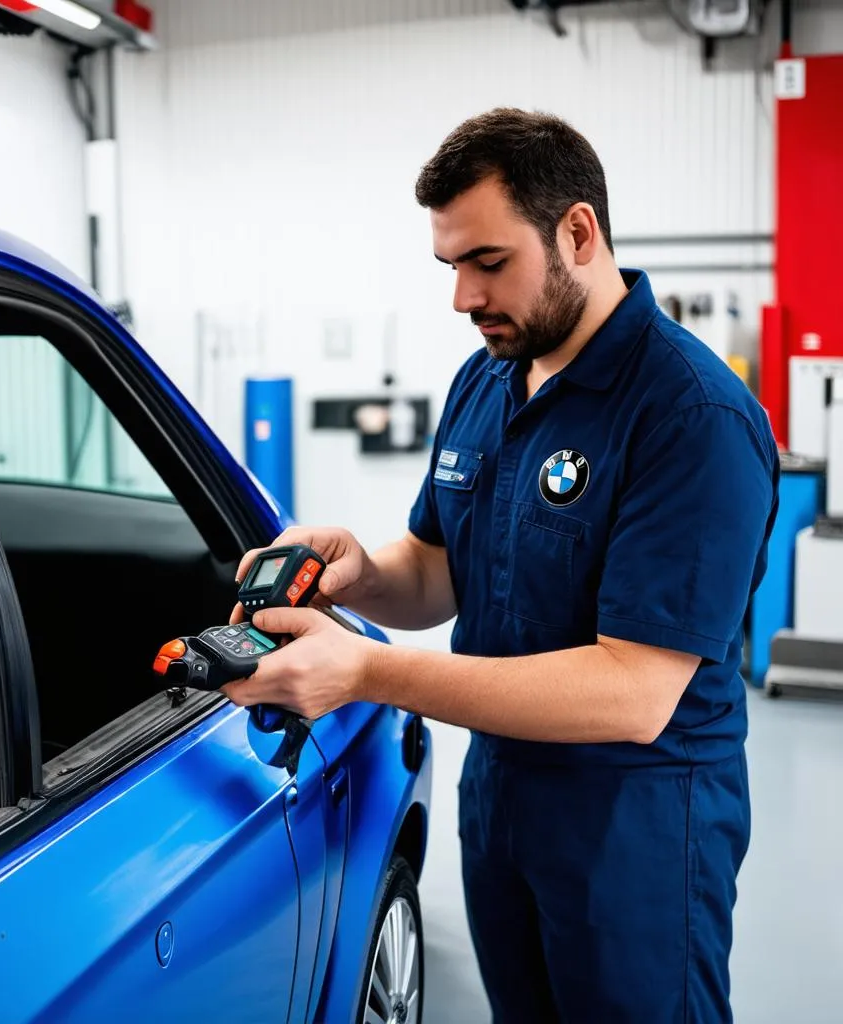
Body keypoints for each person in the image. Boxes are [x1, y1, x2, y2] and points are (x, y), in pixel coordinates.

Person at [225, 108, 780, 1022]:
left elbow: (632, 692)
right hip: (503, 800)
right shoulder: (486, 379)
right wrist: (359, 573)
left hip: (634, 826)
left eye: (489, 263)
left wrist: (367, 671)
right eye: (452, 269)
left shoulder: (691, 417)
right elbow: (439, 570)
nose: (463, 298)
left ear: (577, 232)